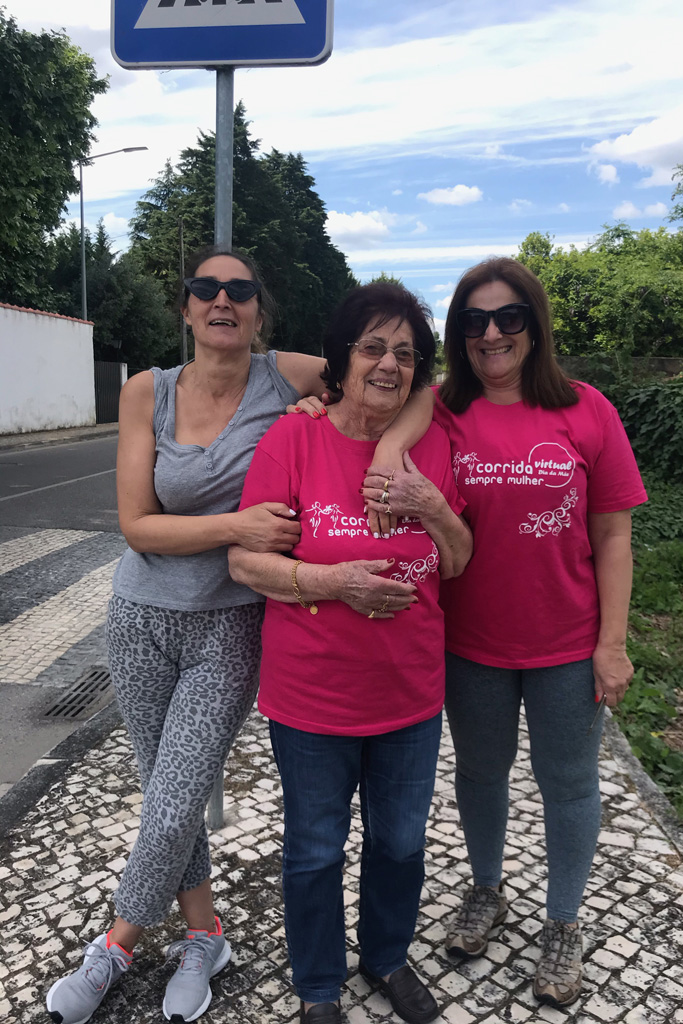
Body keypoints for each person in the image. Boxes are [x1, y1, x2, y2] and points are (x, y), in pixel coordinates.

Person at [45, 248, 429, 1024]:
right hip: (139, 618)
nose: (223, 300)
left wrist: (388, 448)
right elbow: (137, 526)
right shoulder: (146, 391)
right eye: (206, 288)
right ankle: (204, 937)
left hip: (228, 623)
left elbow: (413, 383)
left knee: (175, 798)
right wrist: (239, 526)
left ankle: (116, 942)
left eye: (240, 290)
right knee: (171, 796)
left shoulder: (284, 377)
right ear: (186, 306)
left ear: (258, 310)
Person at [363, 258, 647, 1010]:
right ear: (459, 332)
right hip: (470, 643)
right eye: (475, 320)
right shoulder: (443, 408)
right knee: (481, 774)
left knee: (569, 783)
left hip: (567, 644)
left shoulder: (587, 410)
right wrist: (387, 449)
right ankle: (487, 888)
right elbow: (387, 396)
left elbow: (614, 535)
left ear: (534, 325)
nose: (492, 333)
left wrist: (612, 643)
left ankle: (563, 921)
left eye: (508, 317)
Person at [228, 282, 473, 1024]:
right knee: (314, 849)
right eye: (373, 347)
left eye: (405, 352)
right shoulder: (294, 440)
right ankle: (318, 985)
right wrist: (335, 583)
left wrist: (433, 507)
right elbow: (245, 562)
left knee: (399, 844)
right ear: (342, 357)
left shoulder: (433, 443)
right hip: (312, 698)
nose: (389, 364)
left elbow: (459, 559)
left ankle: (387, 956)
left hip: (409, 694)